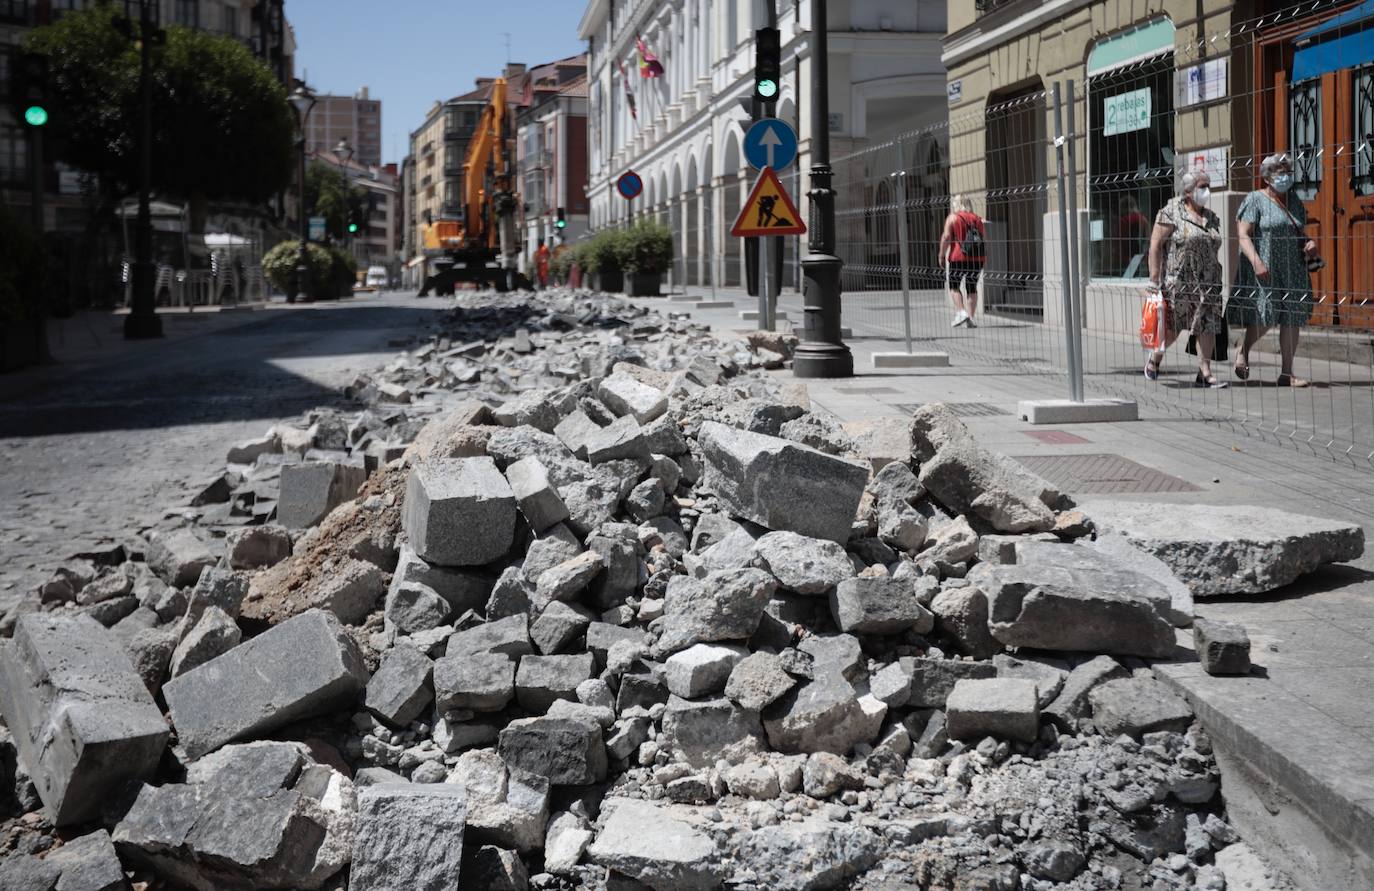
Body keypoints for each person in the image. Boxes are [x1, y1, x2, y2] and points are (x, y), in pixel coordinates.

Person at [1225, 153, 1319, 387]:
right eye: (1280, 172)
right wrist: (1256, 261)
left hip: (1294, 268)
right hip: (1265, 267)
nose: (1285, 176)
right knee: (1265, 315)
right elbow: (1243, 234)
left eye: (1288, 171)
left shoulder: (1294, 200)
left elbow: (1296, 230)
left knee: (1292, 317)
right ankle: (1243, 350)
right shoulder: (1255, 199)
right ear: (1267, 177)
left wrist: (1310, 244)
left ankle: (1287, 373)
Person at [1144, 169, 1227, 387]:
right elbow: (1155, 246)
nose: (1207, 190)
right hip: (1180, 280)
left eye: (1208, 186)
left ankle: (1205, 373)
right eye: (1202, 186)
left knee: (1206, 325)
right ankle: (1155, 358)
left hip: (1209, 282)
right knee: (1174, 328)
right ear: (1189, 191)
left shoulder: (1211, 217)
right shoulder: (1170, 212)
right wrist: (1154, 279)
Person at [938, 194, 986, 328]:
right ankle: (970, 318)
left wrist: (941, 254)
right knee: (972, 287)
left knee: (953, 286)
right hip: (977, 257)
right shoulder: (977, 219)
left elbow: (946, 236)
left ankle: (961, 312)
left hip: (958, 256)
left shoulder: (953, 218)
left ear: (956, 204)